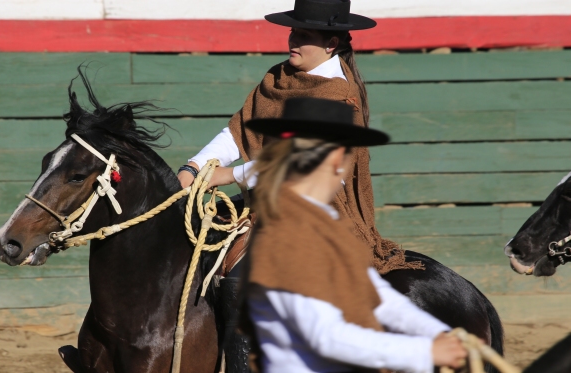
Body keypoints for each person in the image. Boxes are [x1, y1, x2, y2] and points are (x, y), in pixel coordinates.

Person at [176, 0, 419, 275]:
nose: (294, 40)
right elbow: (239, 131)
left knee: (241, 278)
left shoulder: (339, 96)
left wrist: (232, 175)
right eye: (293, 32)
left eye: (305, 36)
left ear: (331, 44)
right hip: (263, 200)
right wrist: (194, 167)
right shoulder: (278, 78)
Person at [242, 97, 467, 373]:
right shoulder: (288, 232)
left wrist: (438, 333)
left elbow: (377, 296)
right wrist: (425, 351)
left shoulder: (321, 223)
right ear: (338, 158)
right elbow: (326, 336)